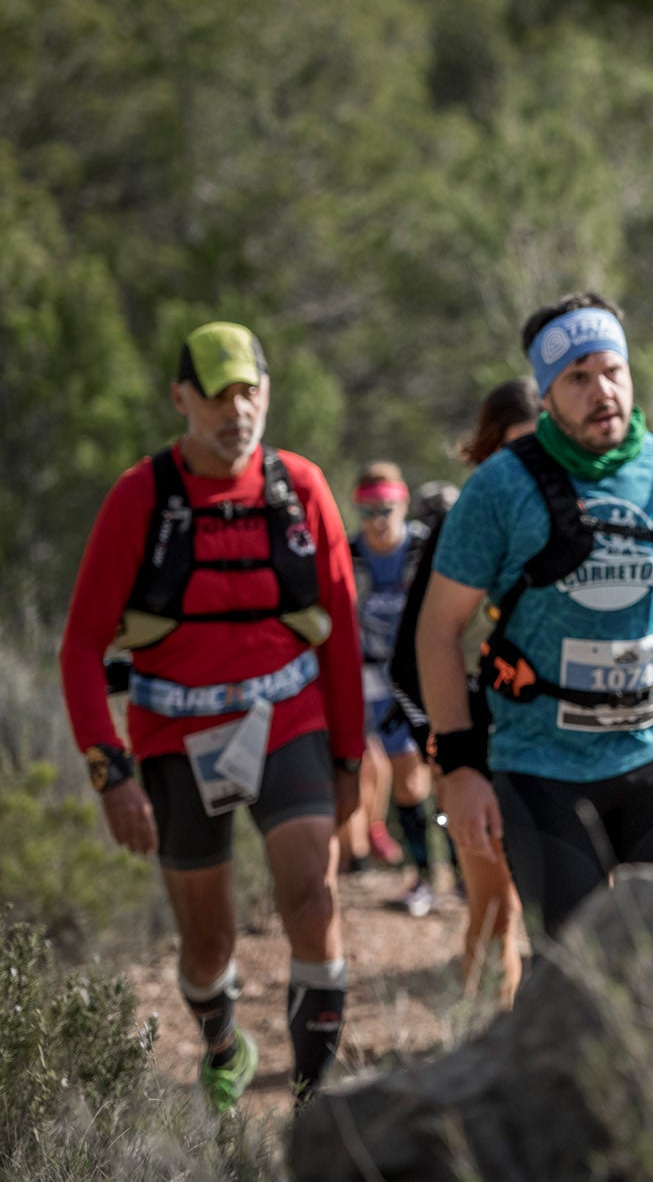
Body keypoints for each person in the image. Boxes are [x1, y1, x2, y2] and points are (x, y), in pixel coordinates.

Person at [416, 294, 653, 937]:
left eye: (613, 371)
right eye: (577, 377)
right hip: (541, 764)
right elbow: (437, 629)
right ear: (545, 394)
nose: (602, 391)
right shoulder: (499, 488)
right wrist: (460, 769)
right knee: (578, 967)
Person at [58, 322, 363, 1110]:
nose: (239, 409)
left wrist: (351, 759)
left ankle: (313, 1100)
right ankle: (224, 1042)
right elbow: (81, 647)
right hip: (173, 733)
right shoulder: (141, 496)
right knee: (208, 942)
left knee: (314, 898)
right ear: (181, 398)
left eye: (252, 389)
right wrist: (109, 771)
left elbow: (342, 630)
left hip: (286, 718)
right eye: (220, 394)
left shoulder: (301, 485)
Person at [385, 379, 539, 1003]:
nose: (534, 463)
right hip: (472, 748)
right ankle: (478, 1037)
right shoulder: (465, 521)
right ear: (487, 449)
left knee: (560, 905)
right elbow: (407, 658)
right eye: (517, 448)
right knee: (495, 906)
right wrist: (445, 745)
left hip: (551, 739)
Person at [350, 462, 437, 915]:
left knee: (433, 772)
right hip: (370, 678)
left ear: (403, 503)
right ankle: (421, 874)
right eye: (367, 510)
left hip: (424, 673)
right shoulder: (349, 555)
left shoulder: (425, 546)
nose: (378, 519)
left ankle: (457, 873)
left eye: (386, 508)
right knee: (400, 774)